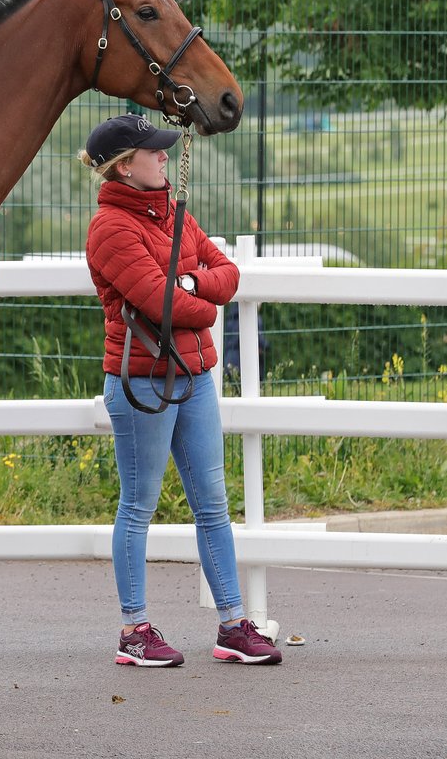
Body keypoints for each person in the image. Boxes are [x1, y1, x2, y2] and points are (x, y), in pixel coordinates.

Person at [78, 113, 281, 667]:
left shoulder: (172, 214)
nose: (165, 156)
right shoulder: (111, 229)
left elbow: (226, 273)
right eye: (154, 152)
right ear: (125, 165)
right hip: (143, 381)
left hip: (193, 377)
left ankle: (233, 625)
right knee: (138, 505)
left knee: (212, 505)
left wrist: (190, 284)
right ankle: (133, 629)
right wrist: (197, 294)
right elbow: (165, 305)